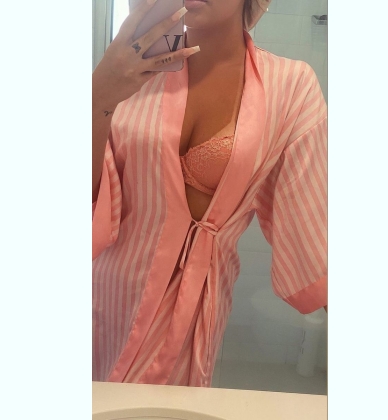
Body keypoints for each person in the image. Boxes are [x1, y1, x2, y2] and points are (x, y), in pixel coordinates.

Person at [92, 0, 327, 387]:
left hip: (193, 313)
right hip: (106, 297)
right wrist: (98, 95)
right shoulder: (129, 69)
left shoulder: (291, 86)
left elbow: (311, 232)